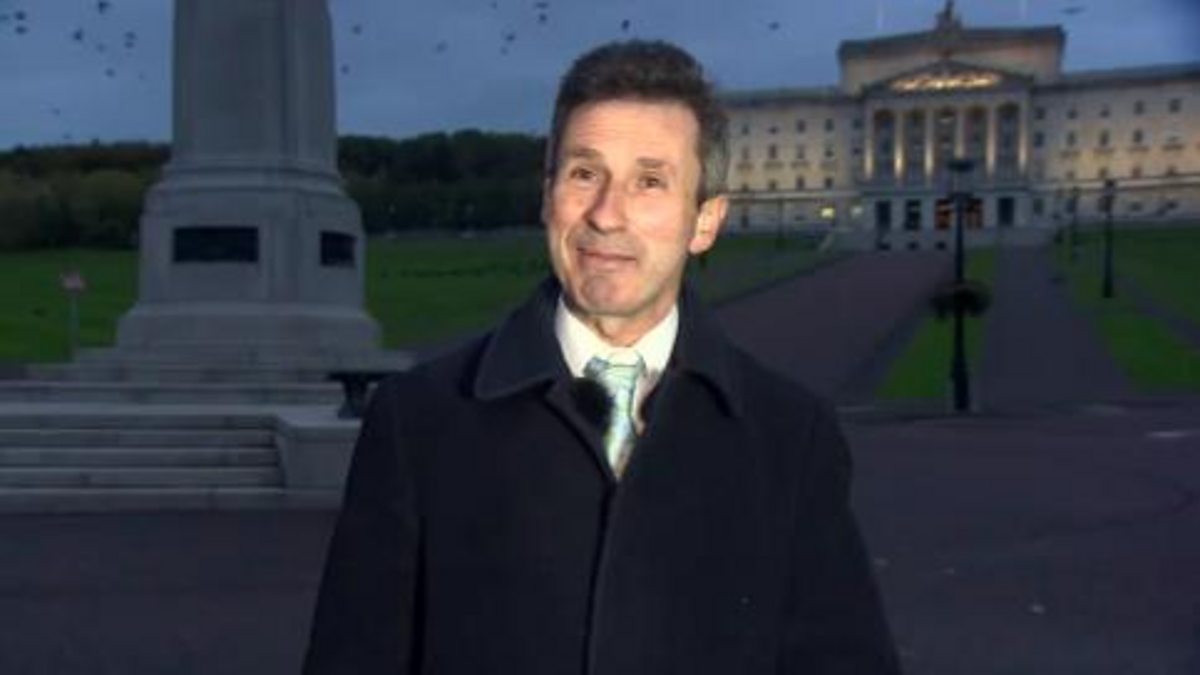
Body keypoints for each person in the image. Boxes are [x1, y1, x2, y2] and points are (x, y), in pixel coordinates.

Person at [304, 40, 899, 675]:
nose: (606, 216)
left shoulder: (792, 435)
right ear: (547, 196)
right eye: (584, 174)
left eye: (650, 182)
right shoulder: (416, 421)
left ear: (705, 221)